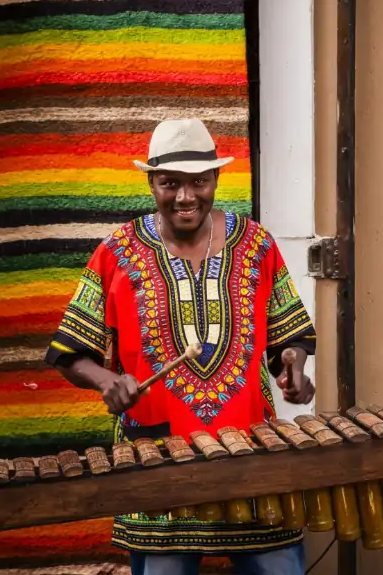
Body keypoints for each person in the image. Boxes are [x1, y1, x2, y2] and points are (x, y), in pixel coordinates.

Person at [45, 118, 317, 575]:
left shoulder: (257, 245)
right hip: (156, 464)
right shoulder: (115, 253)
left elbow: (287, 336)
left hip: (251, 460)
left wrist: (293, 367)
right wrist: (107, 380)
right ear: (152, 182)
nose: (185, 196)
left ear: (216, 179)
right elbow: (70, 351)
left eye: (199, 182)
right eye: (171, 183)